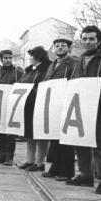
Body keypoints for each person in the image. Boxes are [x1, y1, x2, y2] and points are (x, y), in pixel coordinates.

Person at [67, 26, 101, 195]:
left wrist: (97, 101)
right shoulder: (80, 60)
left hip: (100, 110)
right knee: (80, 142)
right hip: (81, 109)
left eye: (91, 39)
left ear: (99, 41)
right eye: (84, 38)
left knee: (100, 146)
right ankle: (85, 174)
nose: (87, 42)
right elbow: (74, 82)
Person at [41, 38, 78, 181]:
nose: (60, 48)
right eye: (57, 46)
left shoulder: (74, 63)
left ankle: (67, 171)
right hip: (52, 103)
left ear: (69, 48)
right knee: (54, 137)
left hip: (66, 102)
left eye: (63, 46)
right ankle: (55, 167)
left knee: (65, 138)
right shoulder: (53, 64)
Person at [17, 46, 52, 172]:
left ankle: (40, 162)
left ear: (37, 57)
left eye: (31, 56)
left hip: (39, 104)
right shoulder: (30, 70)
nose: (30, 58)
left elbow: (45, 85)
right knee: (29, 134)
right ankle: (30, 160)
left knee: (39, 134)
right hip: (28, 104)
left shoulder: (46, 69)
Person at [0, 50, 24, 166]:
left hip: (12, 106)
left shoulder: (18, 72)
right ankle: (1, 156)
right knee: (0, 132)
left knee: (10, 134)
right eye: (5, 58)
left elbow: (22, 88)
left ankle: (9, 158)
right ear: (1, 59)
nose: (8, 60)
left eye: (10, 57)